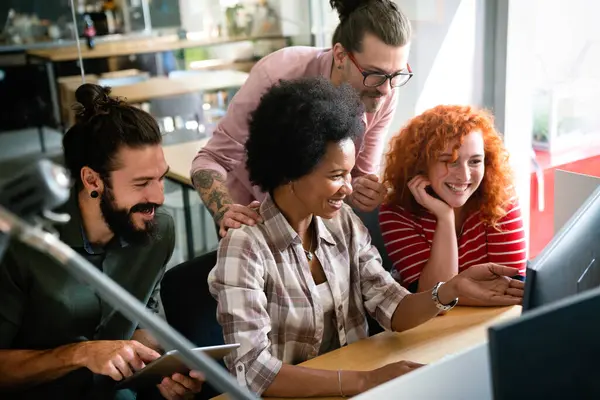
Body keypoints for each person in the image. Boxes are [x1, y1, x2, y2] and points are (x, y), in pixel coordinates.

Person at [208, 77, 524, 397]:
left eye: (349, 172)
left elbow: (393, 307)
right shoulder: (245, 246)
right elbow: (253, 371)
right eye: (336, 176)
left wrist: (450, 289)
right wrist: (363, 381)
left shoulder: (342, 222)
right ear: (289, 173)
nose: (348, 188)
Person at [0, 84, 203, 400]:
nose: (159, 197)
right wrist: (80, 354)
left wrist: (166, 365)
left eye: (160, 178)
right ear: (92, 180)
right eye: (141, 184)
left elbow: (141, 319)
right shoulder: (23, 243)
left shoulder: (156, 230)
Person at [191, 0, 414, 238]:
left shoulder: (382, 91)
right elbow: (210, 159)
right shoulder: (278, 74)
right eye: (375, 74)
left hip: (316, 229)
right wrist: (225, 209)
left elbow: (357, 175)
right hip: (252, 221)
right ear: (340, 56)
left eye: (396, 75)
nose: (387, 90)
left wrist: (361, 190)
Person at [379, 105, 527, 301]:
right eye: (450, 161)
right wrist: (445, 218)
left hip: (493, 320)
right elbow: (432, 298)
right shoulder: (396, 213)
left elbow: (513, 287)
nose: (464, 176)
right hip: (434, 329)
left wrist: (456, 291)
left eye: (475, 161)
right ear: (421, 163)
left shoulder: (500, 197)